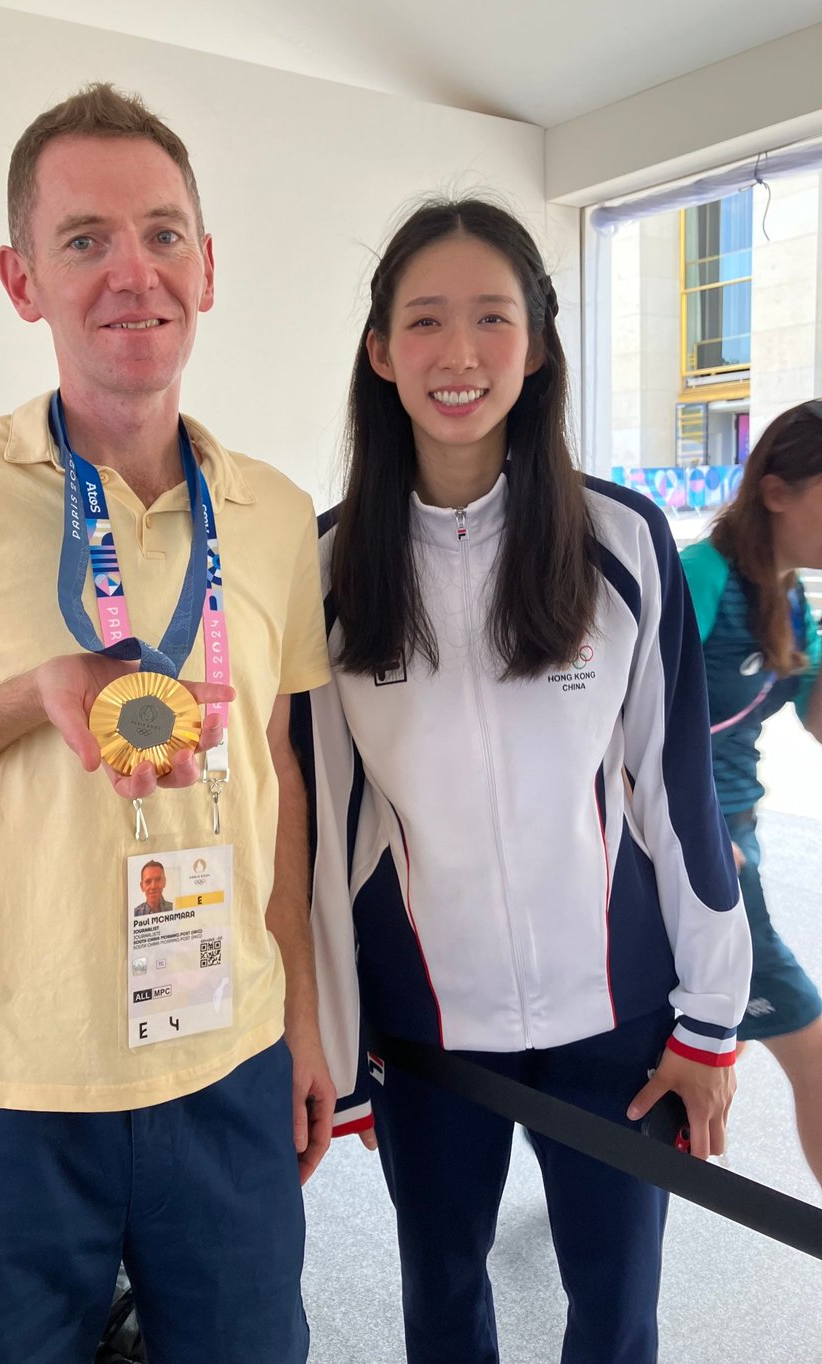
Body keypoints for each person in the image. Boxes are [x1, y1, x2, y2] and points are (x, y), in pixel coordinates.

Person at [0, 83, 335, 1364]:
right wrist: (23, 699)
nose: (131, 271)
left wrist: (304, 1016)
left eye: (161, 232)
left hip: (227, 1060)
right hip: (2, 1088)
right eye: (84, 239)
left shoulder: (271, 511)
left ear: (207, 266)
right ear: (21, 278)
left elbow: (273, 769)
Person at [294, 198, 752, 1364]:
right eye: (426, 320)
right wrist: (338, 1047)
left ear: (537, 342)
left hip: (617, 1016)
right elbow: (323, 826)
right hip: (427, 1028)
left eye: (491, 318)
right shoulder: (327, 568)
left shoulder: (623, 536)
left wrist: (708, 1023)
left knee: (614, 1310)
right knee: (441, 1297)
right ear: (379, 349)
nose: (459, 354)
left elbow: (676, 791)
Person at [680, 400, 822, 1185]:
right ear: (776, 491)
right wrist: (698, 832)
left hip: (736, 834)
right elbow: (624, 724)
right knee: (813, 1048)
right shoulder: (702, 576)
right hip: (698, 848)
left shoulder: (791, 595)